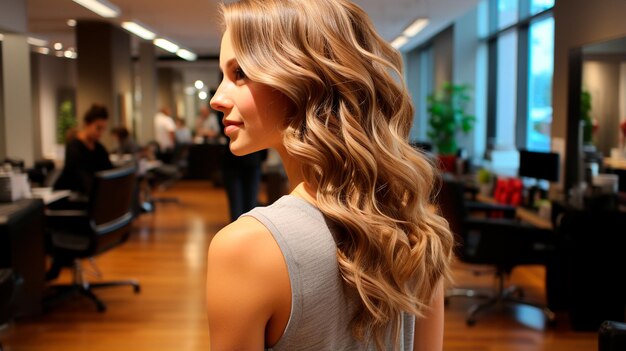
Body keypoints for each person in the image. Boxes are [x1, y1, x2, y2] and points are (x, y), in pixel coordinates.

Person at [206, 1, 454, 350]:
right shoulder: (417, 228)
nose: (217, 98)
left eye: (240, 74)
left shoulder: (245, 247)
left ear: (303, 80)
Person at [53, 104, 113, 195]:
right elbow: (81, 178)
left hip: (88, 195)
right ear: (87, 124)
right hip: (70, 196)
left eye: (103, 129)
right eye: (98, 128)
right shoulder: (74, 147)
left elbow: (109, 170)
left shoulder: (99, 148)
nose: (101, 133)